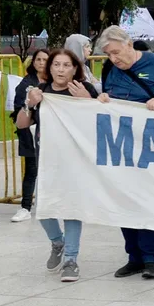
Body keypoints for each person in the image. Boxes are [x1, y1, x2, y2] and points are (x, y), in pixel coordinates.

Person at [96, 26, 154, 280]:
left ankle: (151, 259)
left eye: (116, 52)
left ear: (128, 44)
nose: (114, 58)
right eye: (108, 54)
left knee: (146, 200)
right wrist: (103, 100)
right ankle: (133, 257)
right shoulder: (110, 69)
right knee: (124, 201)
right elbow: (110, 100)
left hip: (151, 147)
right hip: (122, 147)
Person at [16, 48, 98, 282]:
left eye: (66, 65)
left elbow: (100, 119)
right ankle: (57, 242)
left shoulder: (84, 90)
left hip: (76, 160)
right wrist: (30, 105)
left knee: (72, 208)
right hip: (48, 160)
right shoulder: (40, 92)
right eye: (56, 65)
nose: (61, 70)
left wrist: (87, 100)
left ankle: (71, 259)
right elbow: (22, 123)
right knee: (44, 208)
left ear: (75, 69)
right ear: (49, 68)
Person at [9, 49, 48, 223]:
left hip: (52, 132)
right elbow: (18, 109)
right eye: (38, 59)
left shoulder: (55, 82)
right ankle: (25, 207)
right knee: (31, 168)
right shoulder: (26, 83)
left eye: (45, 59)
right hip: (30, 132)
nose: (41, 63)